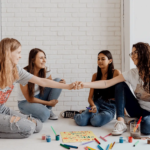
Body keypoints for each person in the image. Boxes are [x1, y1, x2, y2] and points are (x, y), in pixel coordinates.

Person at [0, 38, 75, 139]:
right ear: (8, 52)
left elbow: (42, 81)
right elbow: (29, 98)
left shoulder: (16, 70)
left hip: (2, 108)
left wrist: (68, 86)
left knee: (38, 125)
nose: (20, 56)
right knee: (29, 128)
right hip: (20, 104)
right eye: (18, 52)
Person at [77, 42, 150, 135]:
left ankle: (135, 121)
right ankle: (121, 121)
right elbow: (107, 83)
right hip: (137, 109)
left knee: (146, 128)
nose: (132, 56)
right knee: (120, 84)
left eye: (135, 52)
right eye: (131, 53)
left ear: (144, 53)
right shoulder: (132, 73)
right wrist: (83, 84)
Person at [74, 50, 121, 127]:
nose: (100, 61)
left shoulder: (116, 73)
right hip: (96, 103)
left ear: (110, 61)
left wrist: (122, 115)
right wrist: (93, 106)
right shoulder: (95, 76)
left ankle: (86, 114)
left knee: (95, 121)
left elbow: (121, 94)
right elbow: (90, 98)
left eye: (103, 59)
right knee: (81, 121)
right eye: (98, 59)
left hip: (110, 107)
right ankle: (78, 115)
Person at [18, 48, 66, 122]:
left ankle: (49, 110)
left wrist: (61, 85)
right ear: (33, 60)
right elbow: (29, 99)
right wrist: (48, 103)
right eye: (41, 58)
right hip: (25, 102)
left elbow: (52, 85)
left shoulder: (45, 70)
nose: (44, 60)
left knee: (57, 81)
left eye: (45, 57)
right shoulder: (24, 73)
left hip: (39, 96)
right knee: (44, 115)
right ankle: (26, 112)